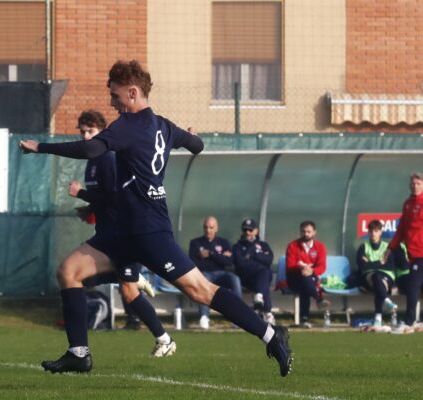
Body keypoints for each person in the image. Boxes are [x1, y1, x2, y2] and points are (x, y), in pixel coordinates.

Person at [20, 59, 292, 377]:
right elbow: (197, 145)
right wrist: (190, 136)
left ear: (133, 92)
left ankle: (272, 336)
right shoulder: (164, 125)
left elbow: (93, 149)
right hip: (123, 231)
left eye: (115, 95)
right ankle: (78, 353)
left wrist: (41, 147)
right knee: (69, 272)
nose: (112, 102)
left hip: (147, 230)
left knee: (200, 289)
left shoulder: (129, 126)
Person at [59, 109, 178, 365]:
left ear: (103, 132)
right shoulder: (93, 161)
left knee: (118, 289)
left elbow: (115, 198)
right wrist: (90, 209)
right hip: (108, 234)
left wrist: (81, 193)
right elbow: (105, 200)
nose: (86, 135)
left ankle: (164, 338)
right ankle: (163, 338)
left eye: (90, 131)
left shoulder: (107, 158)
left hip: (121, 236)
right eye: (82, 132)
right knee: (120, 289)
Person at [188, 216, 241, 330]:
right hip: (205, 274)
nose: (208, 230)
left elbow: (228, 262)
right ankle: (204, 316)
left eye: (211, 228)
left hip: (222, 274)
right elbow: (193, 264)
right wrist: (219, 257)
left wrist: (211, 254)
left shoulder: (224, 242)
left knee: (234, 279)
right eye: (206, 227)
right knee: (203, 280)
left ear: (216, 228)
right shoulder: (195, 243)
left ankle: (238, 317)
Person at [385, 172, 423, 327]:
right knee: (415, 285)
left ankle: (409, 321)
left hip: (421, 252)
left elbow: (414, 226)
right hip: (413, 253)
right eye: (412, 184)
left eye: (418, 184)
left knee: (412, 285)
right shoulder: (407, 204)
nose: (415, 186)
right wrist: (390, 248)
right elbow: (401, 228)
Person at [285, 220, 329, 328]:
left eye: (309, 232)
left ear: (314, 232)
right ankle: (318, 299)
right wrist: (301, 268)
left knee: (306, 282)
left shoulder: (320, 247)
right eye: (303, 231)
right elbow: (290, 265)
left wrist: (312, 271)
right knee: (306, 279)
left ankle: (304, 319)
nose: (306, 234)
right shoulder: (293, 246)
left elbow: (322, 267)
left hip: (310, 278)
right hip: (294, 277)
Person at [232, 218, 275, 325]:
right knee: (265, 274)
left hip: (262, 277)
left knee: (265, 273)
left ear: (256, 231)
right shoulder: (237, 247)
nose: (248, 233)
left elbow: (269, 259)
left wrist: (253, 255)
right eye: (245, 230)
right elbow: (240, 264)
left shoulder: (263, 245)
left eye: (250, 230)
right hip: (246, 278)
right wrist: (258, 257)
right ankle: (268, 312)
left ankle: (260, 299)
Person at [355, 220, 398, 327]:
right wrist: (380, 263)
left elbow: (390, 266)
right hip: (369, 277)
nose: (373, 233)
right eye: (371, 231)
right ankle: (386, 301)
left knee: (377, 278)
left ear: (380, 232)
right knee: (376, 277)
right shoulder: (363, 247)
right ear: (368, 232)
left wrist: (370, 263)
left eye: (376, 231)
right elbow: (362, 266)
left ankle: (378, 317)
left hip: (386, 276)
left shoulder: (387, 247)